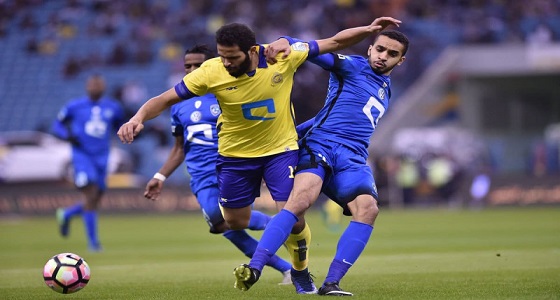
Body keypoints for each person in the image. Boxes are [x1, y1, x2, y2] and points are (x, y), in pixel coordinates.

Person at [117, 18, 401, 294]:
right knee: (234, 222)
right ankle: (272, 233)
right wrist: (138, 117)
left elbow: (331, 42)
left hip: (281, 151)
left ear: (251, 51)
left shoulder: (281, 59)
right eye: (222, 56)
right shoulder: (210, 71)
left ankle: (299, 272)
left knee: (296, 213)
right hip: (235, 156)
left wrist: (362, 29)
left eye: (232, 57)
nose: (226, 63)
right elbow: (164, 99)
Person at [234, 29, 409, 296]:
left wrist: (298, 130)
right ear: (370, 49)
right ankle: (255, 267)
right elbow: (315, 52)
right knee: (301, 201)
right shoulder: (352, 66)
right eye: (380, 49)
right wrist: (288, 41)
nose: (384, 56)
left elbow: (334, 116)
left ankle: (331, 283)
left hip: (353, 158)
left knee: (369, 208)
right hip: (321, 147)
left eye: (392, 54)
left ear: (401, 61)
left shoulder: (386, 89)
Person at [143, 44, 291, 284]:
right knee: (221, 225)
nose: (191, 70)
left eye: (197, 65)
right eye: (187, 66)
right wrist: (160, 177)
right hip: (200, 175)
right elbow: (179, 148)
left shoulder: (226, 92)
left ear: (213, 65)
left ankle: (280, 236)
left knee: (221, 218)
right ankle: (282, 250)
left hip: (230, 165)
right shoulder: (179, 105)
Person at [53, 74, 126, 252]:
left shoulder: (113, 107)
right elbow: (57, 125)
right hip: (82, 157)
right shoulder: (74, 106)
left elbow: (120, 126)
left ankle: (67, 214)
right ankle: (93, 244)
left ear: (104, 87)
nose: (95, 87)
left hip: (103, 157)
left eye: (98, 84)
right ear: (87, 87)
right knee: (91, 195)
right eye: (92, 84)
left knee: (96, 198)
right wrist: (67, 136)